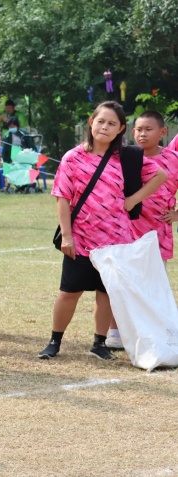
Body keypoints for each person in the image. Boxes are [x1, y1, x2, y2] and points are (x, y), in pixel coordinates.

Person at [38, 101, 165, 361]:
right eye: (101, 121)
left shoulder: (128, 157)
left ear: (121, 129)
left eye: (112, 124)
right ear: (91, 122)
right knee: (69, 291)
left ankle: (99, 343)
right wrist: (67, 236)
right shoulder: (73, 157)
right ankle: (54, 341)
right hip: (80, 238)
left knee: (106, 292)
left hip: (116, 240)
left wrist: (133, 200)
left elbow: (160, 176)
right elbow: (62, 198)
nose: (105, 127)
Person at [105, 111, 178, 349]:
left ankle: (156, 333)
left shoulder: (173, 159)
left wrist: (177, 214)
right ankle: (115, 332)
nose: (142, 134)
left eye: (148, 129)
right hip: (125, 229)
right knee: (121, 281)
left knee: (154, 285)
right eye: (138, 129)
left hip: (158, 232)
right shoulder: (124, 156)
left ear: (162, 132)